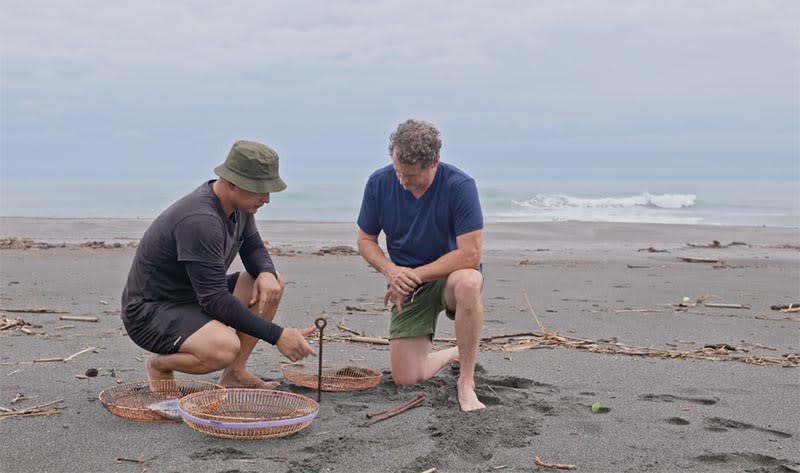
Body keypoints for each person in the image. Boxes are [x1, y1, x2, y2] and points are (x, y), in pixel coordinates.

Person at [121, 140, 316, 389]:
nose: (266, 199)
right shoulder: (201, 220)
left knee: (270, 282)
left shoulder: (239, 207)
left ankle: (235, 373)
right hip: (151, 313)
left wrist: (266, 272)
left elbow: (254, 248)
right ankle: (160, 365)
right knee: (224, 347)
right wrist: (277, 335)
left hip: (193, 296)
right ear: (233, 183)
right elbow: (214, 300)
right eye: (260, 190)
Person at [357, 119, 486, 411]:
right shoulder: (379, 183)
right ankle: (456, 352)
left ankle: (466, 381)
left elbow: (470, 255)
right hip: (408, 284)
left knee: (468, 282)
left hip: (450, 277)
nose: (404, 181)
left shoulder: (460, 186)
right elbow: (365, 239)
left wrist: (414, 275)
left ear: (435, 163)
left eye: (412, 176)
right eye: (399, 172)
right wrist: (392, 271)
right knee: (407, 378)